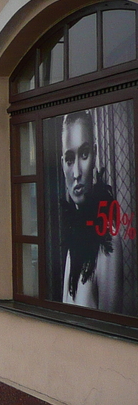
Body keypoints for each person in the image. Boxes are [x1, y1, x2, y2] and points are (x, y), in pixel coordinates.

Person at [59, 110, 117, 311]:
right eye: (69, 159)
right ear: (62, 165)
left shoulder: (108, 237)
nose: (76, 173)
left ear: (95, 154)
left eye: (84, 155)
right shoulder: (74, 230)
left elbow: (112, 324)